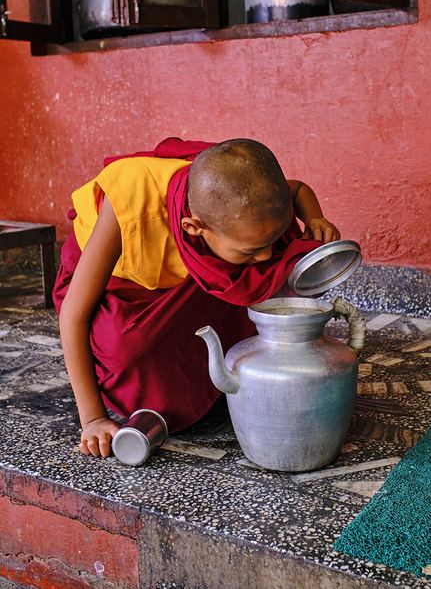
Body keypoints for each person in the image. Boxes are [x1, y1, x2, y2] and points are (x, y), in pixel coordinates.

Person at [53, 137, 340, 459]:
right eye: (251, 250)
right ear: (194, 227)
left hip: (195, 273)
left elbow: (298, 190)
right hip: (125, 288)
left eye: (268, 243)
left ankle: (237, 360)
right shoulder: (130, 205)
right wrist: (92, 418)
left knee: (277, 253)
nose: (265, 257)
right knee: (127, 355)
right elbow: (74, 315)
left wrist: (314, 219)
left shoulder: (245, 194)